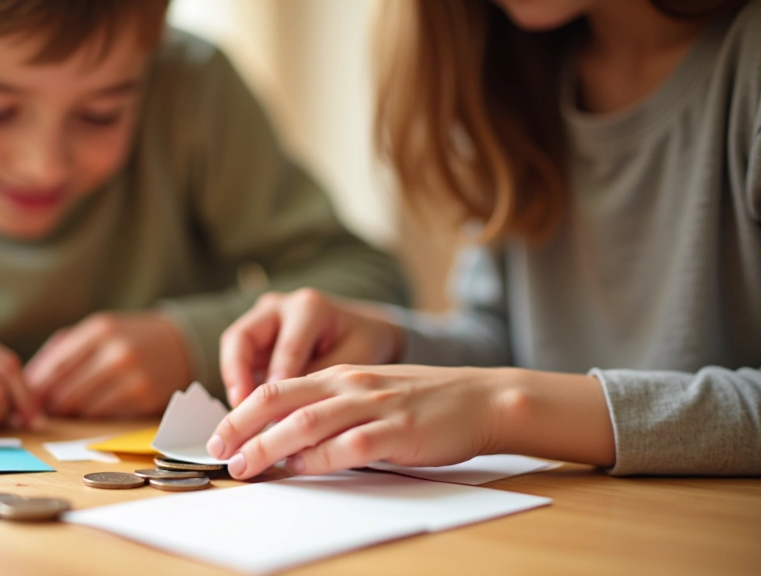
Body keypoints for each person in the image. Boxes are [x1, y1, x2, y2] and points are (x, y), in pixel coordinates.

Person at [0, 0, 407, 434]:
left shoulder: (193, 95)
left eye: (101, 113)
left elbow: (369, 285)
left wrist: (190, 342)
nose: (44, 165)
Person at [208, 0, 761, 479]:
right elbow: (504, 338)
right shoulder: (511, 71)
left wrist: (506, 407)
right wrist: (390, 343)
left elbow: (506, 389)